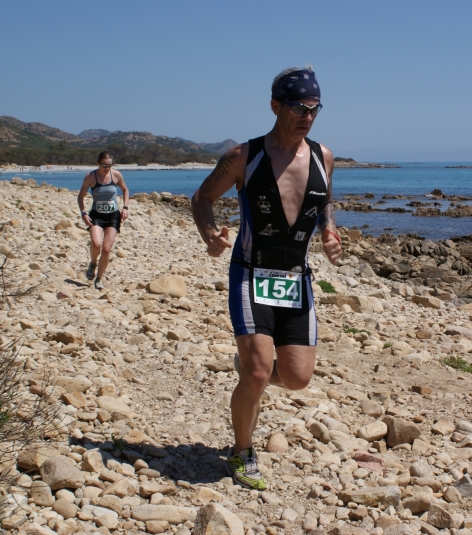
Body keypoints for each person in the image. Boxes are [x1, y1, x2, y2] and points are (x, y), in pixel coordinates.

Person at [191, 66, 342, 490]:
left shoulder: (322, 156)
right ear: (276, 106)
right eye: (298, 107)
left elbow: (325, 200)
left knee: (296, 378)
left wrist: (328, 230)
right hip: (249, 273)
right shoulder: (244, 156)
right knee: (259, 373)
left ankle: (249, 368)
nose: (306, 116)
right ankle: (242, 452)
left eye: (314, 109)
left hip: (296, 278)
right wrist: (209, 233)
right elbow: (202, 198)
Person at [76, 151, 129, 290]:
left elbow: (125, 190)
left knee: (106, 249)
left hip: (113, 216)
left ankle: (98, 279)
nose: (107, 168)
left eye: (109, 165)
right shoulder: (90, 177)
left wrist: (125, 207)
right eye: (104, 165)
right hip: (96, 215)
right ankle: (93, 263)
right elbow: (80, 196)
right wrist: (83, 213)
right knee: (96, 243)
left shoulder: (116, 175)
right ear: (97, 164)